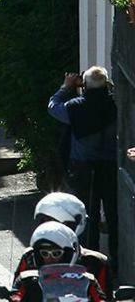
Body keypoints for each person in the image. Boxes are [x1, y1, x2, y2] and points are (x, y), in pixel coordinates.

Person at [48, 66, 118, 264]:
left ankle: (90, 259)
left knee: (88, 215)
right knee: (113, 213)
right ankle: (117, 258)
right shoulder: (114, 105)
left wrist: (66, 86)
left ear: (85, 85)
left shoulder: (75, 106)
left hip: (83, 169)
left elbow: (53, 107)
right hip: (110, 166)